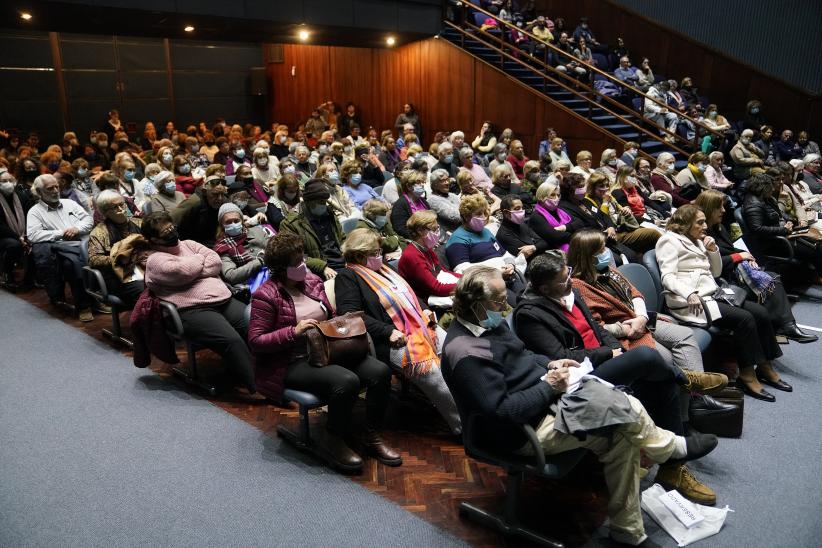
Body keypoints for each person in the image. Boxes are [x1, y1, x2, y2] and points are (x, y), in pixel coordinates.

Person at [442, 265, 717, 544]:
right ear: (477, 304)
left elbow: (522, 355)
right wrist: (548, 385)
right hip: (521, 431)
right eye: (499, 300)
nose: (505, 306)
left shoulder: (487, 321)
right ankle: (671, 448)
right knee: (624, 408)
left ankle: (628, 532)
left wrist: (550, 364)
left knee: (622, 435)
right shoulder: (465, 353)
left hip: (547, 401)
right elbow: (503, 412)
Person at [513, 252, 719, 503]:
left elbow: (598, 330)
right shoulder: (529, 314)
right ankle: (686, 380)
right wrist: (608, 353)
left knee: (661, 384)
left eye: (567, 272)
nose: (570, 278)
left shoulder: (571, 294)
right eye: (563, 278)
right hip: (580, 376)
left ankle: (673, 468)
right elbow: (562, 355)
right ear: (544, 288)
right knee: (646, 357)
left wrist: (616, 349)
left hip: (604, 360)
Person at [247, 232, 399, 471]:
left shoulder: (311, 281)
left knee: (379, 372)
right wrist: (293, 332)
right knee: (346, 381)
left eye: (303, 258)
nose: (303, 265)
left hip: (328, 349)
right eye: (297, 262)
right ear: (281, 268)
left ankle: (371, 435)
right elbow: (256, 341)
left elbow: (328, 314)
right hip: (291, 360)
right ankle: (333, 438)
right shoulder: (266, 296)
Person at [567, 230, 729, 391]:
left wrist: (642, 317)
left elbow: (635, 293)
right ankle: (696, 399)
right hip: (626, 333)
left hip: (641, 319)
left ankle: (696, 396)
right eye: (601, 249)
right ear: (587, 255)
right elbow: (596, 327)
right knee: (666, 358)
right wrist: (627, 328)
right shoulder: (578, 286)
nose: (607, 252)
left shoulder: (607, 270)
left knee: (685, 335)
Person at [335, 228, 461, 434]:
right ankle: (463, 426)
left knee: (455, 350)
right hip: (388, 340)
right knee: (431, 371)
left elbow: (407, 292)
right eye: (375, 253)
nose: (381, 256)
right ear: (358, 256)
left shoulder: (384, 269)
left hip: (419, 327)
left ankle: (474, 406)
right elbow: (351, 315)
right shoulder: (347, 277)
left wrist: (425, 309)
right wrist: (386, 332)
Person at [656, 205, 788, 402]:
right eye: (699, 222)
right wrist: (689, 293)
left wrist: (713, 250)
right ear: (685, 223)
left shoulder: (699, 241)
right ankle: (747, 374)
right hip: (691, 301)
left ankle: (765, 366)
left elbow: (715, 272)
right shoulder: (669, 241)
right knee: (745, 319)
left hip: (712, 293)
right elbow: (667, 277)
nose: (704, 226)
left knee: (760, 312)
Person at [141, 211, 255, 392]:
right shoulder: (155, 260)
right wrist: (198, 260)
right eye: (165, 232)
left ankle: (271, 374)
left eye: (172, 228)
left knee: (255, 326)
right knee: (231, 340)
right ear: (154, 240)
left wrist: (191, 270)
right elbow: (182, 271)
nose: (172, 233)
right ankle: (260, 386)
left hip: (222, 299)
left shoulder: (189, 244)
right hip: (192, 309)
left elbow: (216, 262)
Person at [695, 190, 816, 343]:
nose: (724, 210)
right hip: (721, 279)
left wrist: (747, 255)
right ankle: (783, 328)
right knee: (770, 280)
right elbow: (709, 264)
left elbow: (730, 248)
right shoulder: (701, 233)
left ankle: (784, 327)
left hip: (734, 269)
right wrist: (739, 257)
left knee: (770, 278)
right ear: (709, 208)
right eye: (720, 207)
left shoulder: (719, 227)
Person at [27, 174, 94, 320]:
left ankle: (99, 298)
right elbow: (33, 235)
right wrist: (61, 233)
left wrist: (77, 228)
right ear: (39, 192)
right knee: (72, 264)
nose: (55, 190)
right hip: (60, 248)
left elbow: (88, 219)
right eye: (50, 188)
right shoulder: (35, 212)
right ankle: (84, 305)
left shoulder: (69, 203)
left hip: (82, 243)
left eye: (56, 186)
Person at [742, 173, 822, 278]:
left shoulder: (766, 199)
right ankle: (815, 276)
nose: (773, 189)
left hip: (783, 234)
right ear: (763, 187)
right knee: (816, 249)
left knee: (818, 242)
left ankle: (812, 274)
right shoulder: (753, 205)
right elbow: (757, 229)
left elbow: (779, 214)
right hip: (774, 242)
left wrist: (790, 221)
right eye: (771, 187)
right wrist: (783, 229)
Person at [445, 193, 522, 301]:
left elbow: (504, 254)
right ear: (467, 216)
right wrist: (498, 272)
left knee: (528, 298)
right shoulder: (457, 239)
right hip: (488, 286)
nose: (484, 217)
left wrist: (510, 264)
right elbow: (463, 271)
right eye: (479, 214)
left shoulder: (486, 232)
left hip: (508, 276)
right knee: (518, 305)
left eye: (485, 213)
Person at [86, 190, 145, 308]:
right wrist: (119, 258)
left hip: (145, 267)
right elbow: (94, 259)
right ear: (105, 212)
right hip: (119, 276)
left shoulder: (139, 223)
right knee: (144, 289)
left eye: (122, 204)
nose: (121, 209)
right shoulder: (99, 232)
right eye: (114, 207)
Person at [279, 179, 344, 280]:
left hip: (343, 261)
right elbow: (294, 255)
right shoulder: (291, 224)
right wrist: (321, 267)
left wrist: (348, 251)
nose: (324, 205)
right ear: (309, 202)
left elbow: (342, 237)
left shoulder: (330, 214)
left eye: (325, 201)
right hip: (322, 269)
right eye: (320, 202)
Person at [586, 172, 660, 254]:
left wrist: (626, 209)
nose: (606, 188)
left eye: (607, 185)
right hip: (612, 233)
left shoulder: (609, 196)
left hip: (623, 227)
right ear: (593, 187)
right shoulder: (588, 200)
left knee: (651, 236)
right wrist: (605, 203)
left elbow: (620, 208)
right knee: (653, 233)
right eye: (601, 186)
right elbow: (602, 219)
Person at [398, 210, 460, 305]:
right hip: (426, 299)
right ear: (420, 231)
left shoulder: (426, 248)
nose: (437, 232)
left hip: (437, 290)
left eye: (437, 228)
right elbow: (436, 288)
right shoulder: (411, 256)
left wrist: (466, 277)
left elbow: (442, 271)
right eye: (434, 229)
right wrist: (464, 284)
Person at [213, 202, 269, 297]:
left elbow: (274, 248)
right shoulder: (223, 247)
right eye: (228, 222)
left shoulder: (257, 231)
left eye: (236, 221)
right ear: (222, 225)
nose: (233, 224)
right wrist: (259, 261)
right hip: (253, 285)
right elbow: (231, 275)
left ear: (242, 221)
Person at [171, 170, 229, 247]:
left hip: (209, 241)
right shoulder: (193, 202)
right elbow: (171, 221)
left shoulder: (224, 201)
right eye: (215, 194)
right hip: (188, 243)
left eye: (222, 194)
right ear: (204, 192)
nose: (220, 198)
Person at [0, 168, 34, 289]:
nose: (8, 183)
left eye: (10, 180)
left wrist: (26, 236)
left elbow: (30, 215)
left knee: (35, 242)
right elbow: (1, 226)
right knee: (14, 245)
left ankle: (30, 279)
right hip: (4, 236)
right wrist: (18, 238)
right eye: (4, 181)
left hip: (23, 232)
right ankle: (6, 273)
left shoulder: (21, 195)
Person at [495, 194, 548, 261]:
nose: (522, 211)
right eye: (517, 208)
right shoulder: (503, 234)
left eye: (522, 208)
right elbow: (528, 255)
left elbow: (544, 242)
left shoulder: (521, 224)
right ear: (506, 213)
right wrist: (536, 244)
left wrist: (534, 247)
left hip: (540, 259)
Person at [529, 180, 572, 252]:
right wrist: (575, 235)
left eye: (558, 195)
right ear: (542, 197)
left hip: (571, 243)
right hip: (553, 251)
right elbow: (555, 237)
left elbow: (579, 223)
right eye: (552, 195)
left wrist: (565, 228)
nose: (557, 198)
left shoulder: (560, 210)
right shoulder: (536, 217)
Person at [390, 170, 430, 240]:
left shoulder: (422, 200)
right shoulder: (400, 205)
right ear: (408, 186)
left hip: (429, 236)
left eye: (422, 182)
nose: (422, 185)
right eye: (418, 182)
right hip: (415, 241)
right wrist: (421, 239)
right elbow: (401, 230)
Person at [427, 168, 462, 233]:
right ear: (434, 185)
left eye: (447, 180)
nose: (447, 183)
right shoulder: (432, 200)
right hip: (452, 233)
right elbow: (455, 217)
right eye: (443, 181)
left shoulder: (452, 195)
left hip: (465, 227)